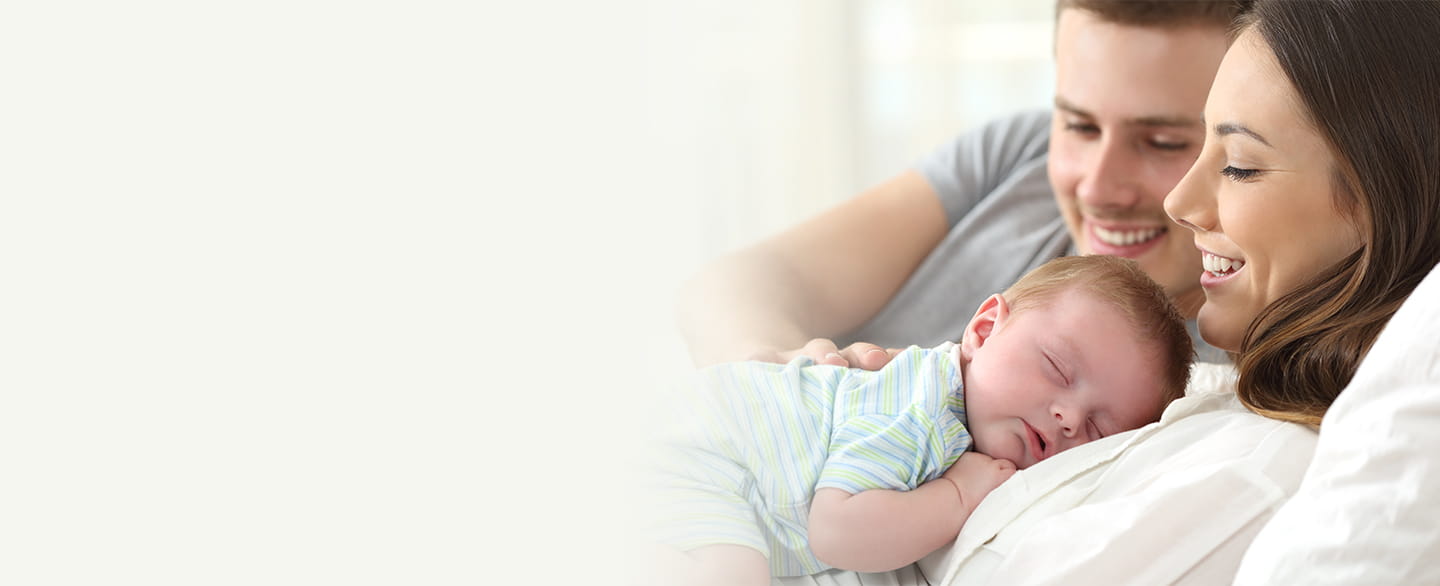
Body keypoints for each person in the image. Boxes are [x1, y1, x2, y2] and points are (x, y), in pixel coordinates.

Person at [775, 1, 1440, 584]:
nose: (1180, 200)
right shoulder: (1219, 403)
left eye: (1237, 165)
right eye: (1079, 125)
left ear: (1389, 202)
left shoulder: (1260, 471)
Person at [675, 0, 1247, 371]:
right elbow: (735, 285)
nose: (1097, 188)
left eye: (1164, 142)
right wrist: (788, 373)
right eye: (1078, 125)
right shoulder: (1018, 153)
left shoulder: (1235, 374)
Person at [650, 256, 1194, 585]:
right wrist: (959, 495)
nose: (1068, 417)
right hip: (699, 454)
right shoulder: (922, 409)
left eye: (1100, 428)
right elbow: (838, 531)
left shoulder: (945, 406)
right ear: (982, 331)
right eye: (1055, 366)